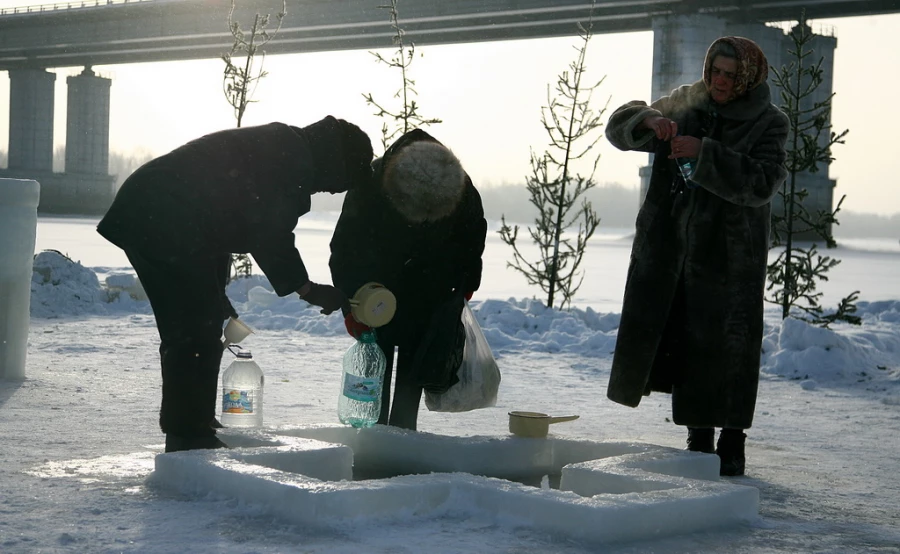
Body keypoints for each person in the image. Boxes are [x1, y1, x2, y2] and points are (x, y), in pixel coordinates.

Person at [97, 116, 374, 453]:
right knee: (191, 329)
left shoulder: (288, 147)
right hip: (160, 214)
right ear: (336, 160)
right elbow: (269, 232)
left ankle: (195, 422)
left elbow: (221, 215)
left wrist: (217, 292)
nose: (331, 190)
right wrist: (309, 289)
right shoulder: (290, 160)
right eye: (340, 182)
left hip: (164, 212)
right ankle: (187, 434)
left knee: (203, 319)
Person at [604, 37, 789, 476]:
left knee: (729, 351)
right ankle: (697, 437)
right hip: (671, 254)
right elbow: (617, 127)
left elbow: (763, 182)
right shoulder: (685, 104)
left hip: (730, 259)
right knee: (686, 346)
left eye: (729, 74)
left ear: (746, 77)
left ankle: (732, 441)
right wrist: (648, 120)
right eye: (715, 72)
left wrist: (703, 154)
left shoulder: (768, 122)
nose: (719, 82)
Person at [329, 129, 487, 431]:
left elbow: (472, 241)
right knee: (372, 379)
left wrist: (464, 289)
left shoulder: (461, 189)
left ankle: (402, 439)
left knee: (413, 380)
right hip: (377, 297)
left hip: (430, 298)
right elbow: (345, 248)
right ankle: (371, 444)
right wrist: (351, 304)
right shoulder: (371, 184)